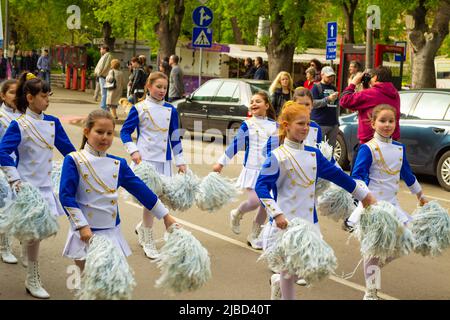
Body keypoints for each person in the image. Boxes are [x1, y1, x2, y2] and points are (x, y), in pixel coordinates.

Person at [255, 101, 376, 300]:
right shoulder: (276, 156)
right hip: (284, 223)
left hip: (308, 224)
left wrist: (365, 196)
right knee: (288, 269)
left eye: (308, 123)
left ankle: (278, 282)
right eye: (300, 123)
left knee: (298, 268)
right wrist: (276, 214)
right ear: (286, 126)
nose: (306, 128)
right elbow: (261, 186)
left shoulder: (314, 154)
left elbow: (339, 176)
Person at [59, 109, 177, 275]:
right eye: (99, 132)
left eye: (109, 133)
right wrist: (82, 226)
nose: (105, 137)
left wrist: (165, 216)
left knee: (109, 280)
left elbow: (141, 190)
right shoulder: (73, 160)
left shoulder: (118, 163)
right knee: (86, 279)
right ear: (86, 132)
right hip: (85, 230)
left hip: (110, 230)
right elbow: (66, 196)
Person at [0, 73, 76, 299]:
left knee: (37, 234)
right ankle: (31, 274)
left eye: (48, 96)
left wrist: (88, 164)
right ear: (30, 97)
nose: (47, 101)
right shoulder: (19, 124)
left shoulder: (53, 123)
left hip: (44, 187)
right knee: (31, 234)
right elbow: (3, 152)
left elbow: (69, 151)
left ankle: (30, 265)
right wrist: (15, 179)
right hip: (25, 189)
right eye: (44, 96)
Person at [347, 104, 428, 300]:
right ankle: (371, 291)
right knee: (373, 251)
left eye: (391, 121)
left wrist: (420, 195)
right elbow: (358, 176)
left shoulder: (399, 148)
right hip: (372, 206)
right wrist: (365, 198)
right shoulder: (368, 148)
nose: (387, 125)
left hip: (393, 205)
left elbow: (407, 173)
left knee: (409, 239)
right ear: (373, 123)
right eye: (382, 121)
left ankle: (373, 266)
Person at [120, 71, 186, 259]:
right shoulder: (139, 108)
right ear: (149, 86)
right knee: (151, 201)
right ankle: (148, 239)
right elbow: (125, 132)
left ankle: (142, 227)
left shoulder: (171, 110)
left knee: (159, 200)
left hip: (163, 161)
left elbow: (175, 137)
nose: (162, 91)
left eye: (165, 87)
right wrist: (133, 151)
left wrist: (180, 162)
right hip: (145, 162)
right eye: (158, 87)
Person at [212, 91, 277, 249]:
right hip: (252, 169)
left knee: (266, 204)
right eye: (252, 101)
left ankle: (254, 235)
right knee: (255, 201)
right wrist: (221, 163)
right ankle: (237, 213)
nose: (254, 104)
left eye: (258, 101)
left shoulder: (275, 125)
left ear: (267, 106)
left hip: (269, 170)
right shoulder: (247, 124)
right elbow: (236, 144)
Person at [339, 66, 401, 171]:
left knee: (359, 180)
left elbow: (344, 101)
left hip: (369, 144)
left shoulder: (370, 94)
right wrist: (366, 87)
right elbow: (371, 103)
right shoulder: (395, 94)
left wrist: (353, 83)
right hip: (390, 143)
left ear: (376, 77)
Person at [0, 79, 20, 265]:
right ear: (3, 95)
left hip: (21, 167)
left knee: (19, 207)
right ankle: (4, 246)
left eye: (19, 92)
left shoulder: (25, 116)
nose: (16, 96)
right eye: (12, 92)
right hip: (3, 167)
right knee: (6, 207)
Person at [311, 66, 340, 148]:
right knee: (319, 148)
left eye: (332, 76)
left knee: (331, 149)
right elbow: (313, 103)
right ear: (322, 75)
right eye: (328, 76)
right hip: (320, 123)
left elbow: (336, 106)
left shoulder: (334, 88)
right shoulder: (316, 87)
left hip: (333, 124)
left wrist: (337, 122)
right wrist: (328, 99)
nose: (331, 78)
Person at [94, 45, 113, 110]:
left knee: (104, 93)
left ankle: (104, 107)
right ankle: (104, 106)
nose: (100, 51)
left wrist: (100, 73)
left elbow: (105, 66)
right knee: (104, 92)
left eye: (101, 49)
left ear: (104, 49)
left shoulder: (108, 56)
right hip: (102, 76)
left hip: (103, 76)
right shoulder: (106, 56)